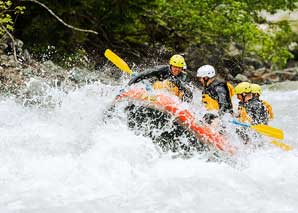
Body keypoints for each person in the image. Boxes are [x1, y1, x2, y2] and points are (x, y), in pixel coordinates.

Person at [128, 54, 193, 102]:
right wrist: (129, 84)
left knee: (179, 89)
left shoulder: (184, 77)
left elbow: (189, 94)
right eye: (175, 67)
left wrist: (178, 83)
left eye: (179, 68)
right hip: (157, 93)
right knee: (161, 83)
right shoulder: (162, 69)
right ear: (170, 66)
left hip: (174, 99)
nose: (177, 70)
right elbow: (145, 74)